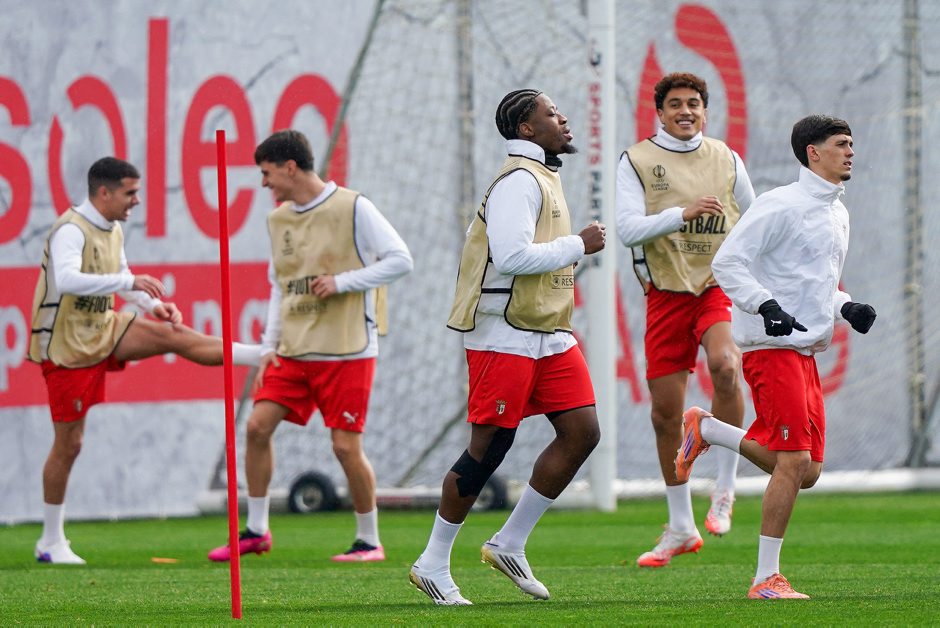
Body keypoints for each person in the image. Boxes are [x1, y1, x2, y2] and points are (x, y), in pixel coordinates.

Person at [409, 89, 606, 605]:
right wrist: (579, 244)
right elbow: (512, 256)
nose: (563, 118)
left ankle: (509, 542)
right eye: (551, 113)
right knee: (489, 447)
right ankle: (432, 562)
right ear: (525, 129)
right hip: (504, 331)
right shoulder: (518, 180)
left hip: (548, 329)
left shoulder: (543, 175)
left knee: (583, 432)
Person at [677, 114, 876, 599]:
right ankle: (765, 578)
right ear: (813, 152)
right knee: (793, 460)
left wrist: (845, 307)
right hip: (771, 348)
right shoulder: (779, 204)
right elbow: (727, 262)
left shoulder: (837, 212)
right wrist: (764, 305)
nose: (851, 152)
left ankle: (708, 429)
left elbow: (814, 285)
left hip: (804, 351)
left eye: (851, 144)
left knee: (808, 471)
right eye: (842, 144)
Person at [29, 157, 262, 565]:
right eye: (130, 193)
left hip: (104, 329)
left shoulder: (113, 228)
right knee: (70, 444)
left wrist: (154, 305)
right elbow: (67, 280)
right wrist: (129, 282)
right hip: (66, 349)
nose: (136, 201)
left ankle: (264, 355)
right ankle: (50, 541)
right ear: (104, 193)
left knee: (173, 334)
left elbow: (123, 278)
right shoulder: (71, 229)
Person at [207, 130, 413, 564]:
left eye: (266, 173)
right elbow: (278, 286)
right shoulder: (278, 220)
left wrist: (343, 282)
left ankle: (369, 540)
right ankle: (256, 531)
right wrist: (268, 346)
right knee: (256, 427)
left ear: (290, 167)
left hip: (347, 350)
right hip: (293, 350)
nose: (264, 183)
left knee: (345, 447)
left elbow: (400, 260)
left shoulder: (354, 207)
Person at [616, 72, 756, 567]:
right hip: (665, 294)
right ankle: (680, 525)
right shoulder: (637, 160)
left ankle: (725, 488)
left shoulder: (726, 158)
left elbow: (755, 220)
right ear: (659, 112)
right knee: (665, 414)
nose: (685, 111)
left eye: (694, 103)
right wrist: (683, 213)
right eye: (675, 103)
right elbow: (627, 229)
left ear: (705, 110)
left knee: (726, 366)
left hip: (715, 287)